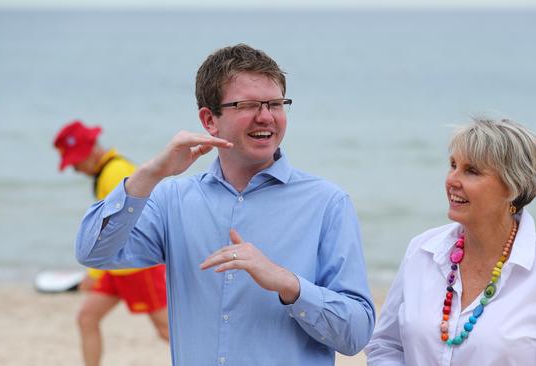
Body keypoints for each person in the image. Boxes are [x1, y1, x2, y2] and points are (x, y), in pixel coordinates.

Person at [74, 44, 375, 365]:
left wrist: (288, 284)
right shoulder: (171, 199)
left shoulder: (328, 203)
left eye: (275, 104)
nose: (266, 116)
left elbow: (356, 335)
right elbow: (94, 252)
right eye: (247, 105)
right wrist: (149, 174)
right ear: (209, 119)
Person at [364, 117, 536, 365]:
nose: (452, 180)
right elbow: (386, 346)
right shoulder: (421, 251)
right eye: (452, 165)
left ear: (513, 186)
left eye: (471, 171)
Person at [54, 120, 169, 366]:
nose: (77, 170)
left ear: (91, 151)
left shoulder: (115, 172)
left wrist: (93, 273)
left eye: (76, 164)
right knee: (87, 317)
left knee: (167, 330)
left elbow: (112, 229)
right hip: (117, 266)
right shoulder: (107, 172)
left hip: (137, 267)